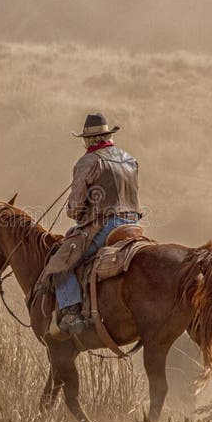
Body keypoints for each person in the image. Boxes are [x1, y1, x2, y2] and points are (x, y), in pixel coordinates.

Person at [52, 113, 141, 336]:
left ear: (88, 140)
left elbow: (74, 208)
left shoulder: (88, 161)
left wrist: (78, 214)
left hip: (106, 225)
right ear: (108, 135)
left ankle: (72, 313)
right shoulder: (129, 158)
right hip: (133, 224)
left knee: (60, 262)